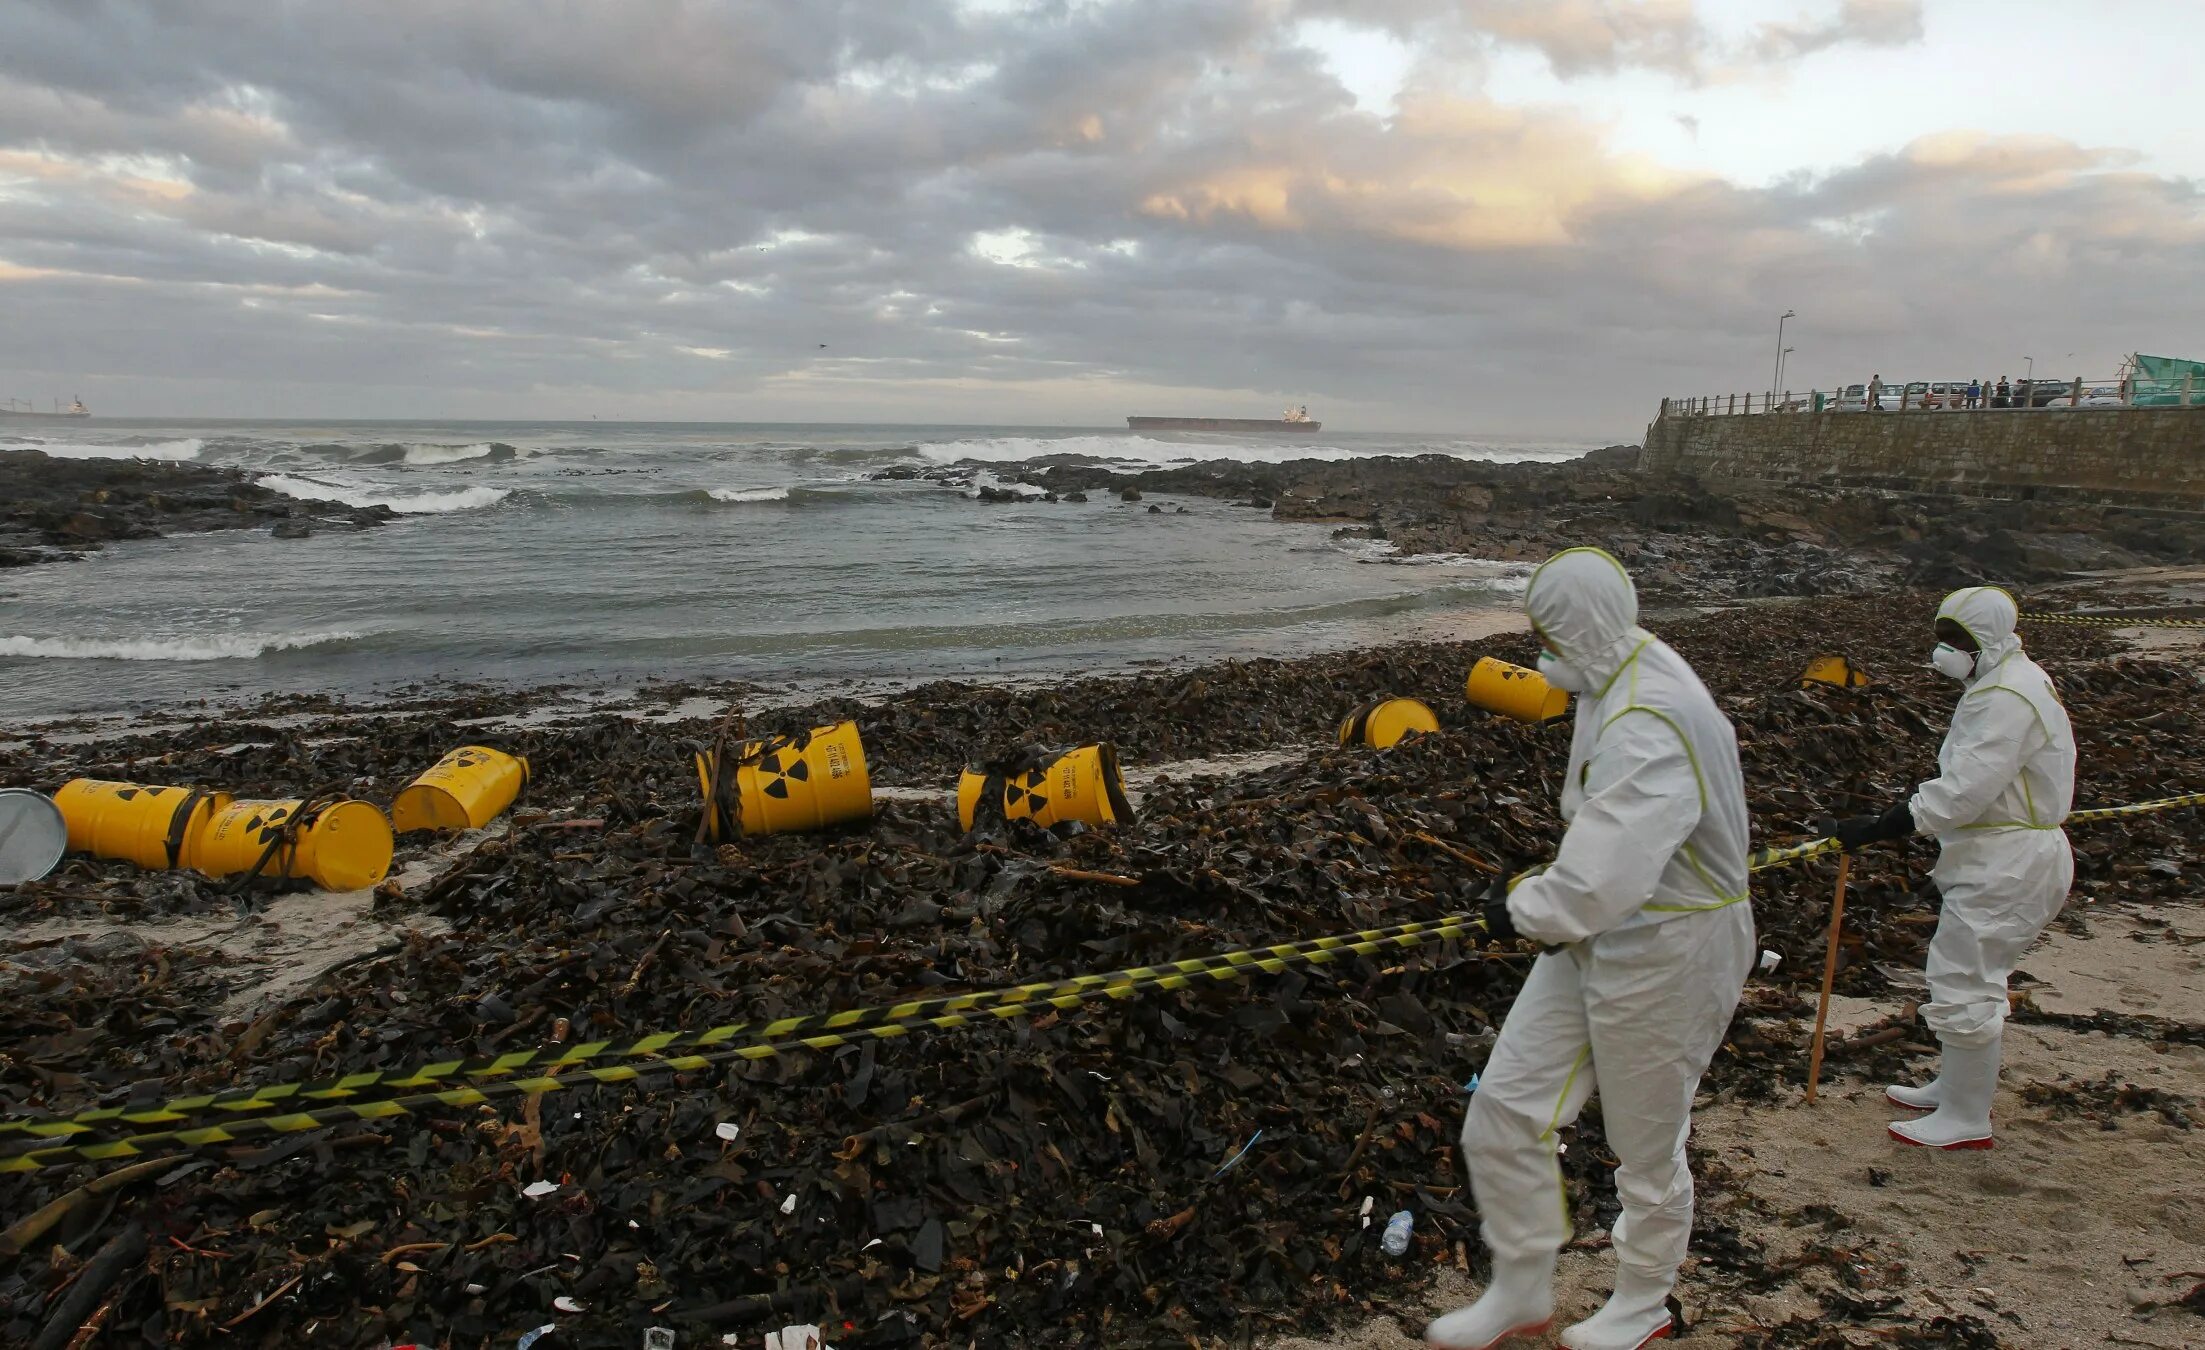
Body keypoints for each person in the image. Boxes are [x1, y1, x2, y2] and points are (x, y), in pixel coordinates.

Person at [1426, 549, 1753, 1350]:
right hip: (1601, 933)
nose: (1536, 651)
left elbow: (1598, 883)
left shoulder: (1650, 718)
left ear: (1584, 630)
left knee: (1645, 1143)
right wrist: (1543, 903)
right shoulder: (1617, 666)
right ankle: (1521, 1289)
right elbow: (1600, 868)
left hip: (1673, 946)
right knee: (1505, 1108)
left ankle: (1643, 1304)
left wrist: (1516, 912)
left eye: (1546, 635)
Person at [1826, 587, 2075, 1151]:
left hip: (2010, 861)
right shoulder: (2001, 680)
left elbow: (1965, 793)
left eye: (1954, 640)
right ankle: (1954, 1085)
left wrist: (1882, 824)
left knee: (1968, 979)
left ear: (1984, 638)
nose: (1943, 651)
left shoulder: (2008, 696)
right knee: (1958, 969)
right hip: (1997, 854)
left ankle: (1966, 1116)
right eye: (1940, 638)